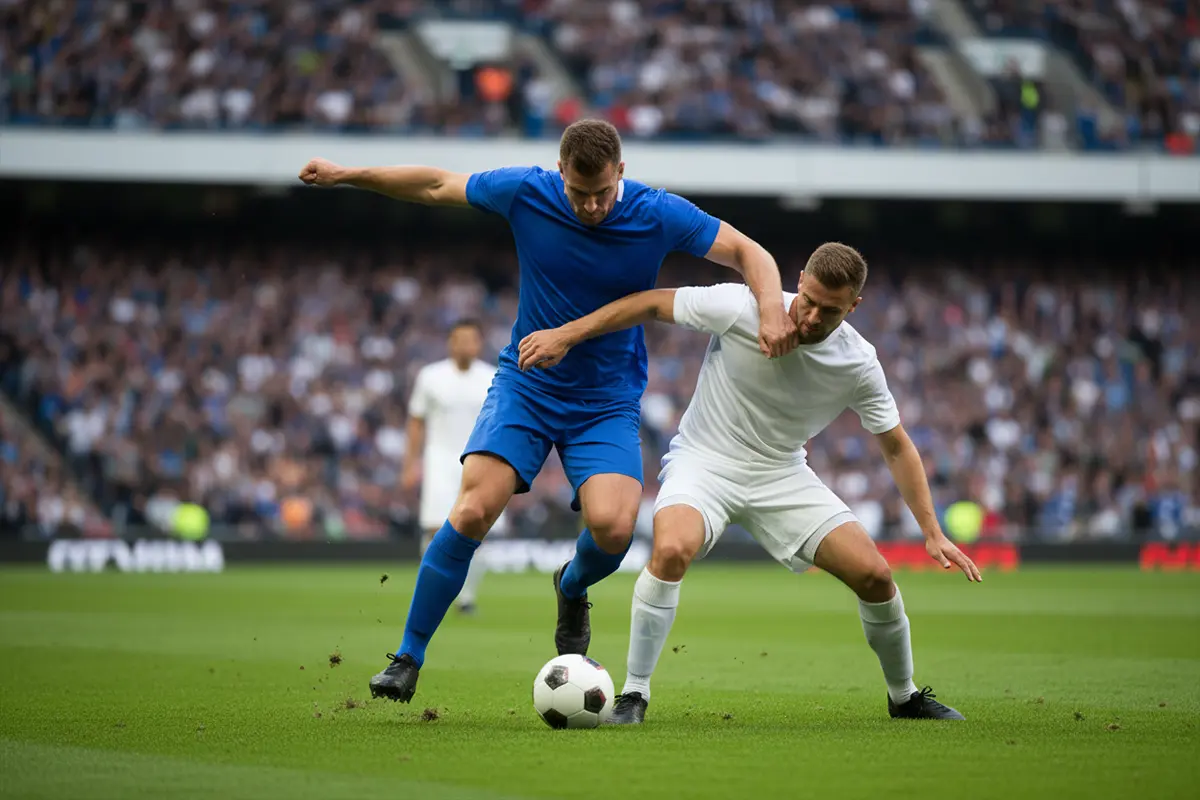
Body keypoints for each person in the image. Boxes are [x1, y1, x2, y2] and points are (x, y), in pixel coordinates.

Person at [299, 119, 799, 704]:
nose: (590, 205)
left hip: (606, 401)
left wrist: (770, 308)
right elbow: (436, 185)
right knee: (471, 510)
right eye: (578, 192)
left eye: (602, 192)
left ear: (621, 171)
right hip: (527, 386)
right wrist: (347, 175)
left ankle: (571, 583)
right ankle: (408, 656)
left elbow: (747, 251)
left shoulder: (657, 212)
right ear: (560, 172)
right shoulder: (527, 191)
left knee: (613, 530)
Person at [517, 242, 981, 724]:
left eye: (832, 310)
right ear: (799, 280)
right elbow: (652, 303)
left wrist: (931, 530)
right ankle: (634, 696)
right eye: (810, 300)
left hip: (781, 472)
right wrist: (567, 335)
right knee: (672, 550)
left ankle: (903, 697)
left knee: (876, 576)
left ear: (854, 307)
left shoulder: (859, 362)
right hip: (704, 462)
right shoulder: (740, 306)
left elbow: (897, 445)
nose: (813, 316)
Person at [402, 319, 500, 615]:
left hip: (480, 459)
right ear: (450, 343)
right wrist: (410, 463)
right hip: (440, 459)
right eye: (459, 339)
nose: (465, 345)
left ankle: (466, 598)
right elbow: (416, 421)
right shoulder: (431, 376)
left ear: (479, 343)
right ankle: (431, 595)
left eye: (471, 339)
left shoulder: (492, 376)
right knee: (434, 528)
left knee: (479, 529)